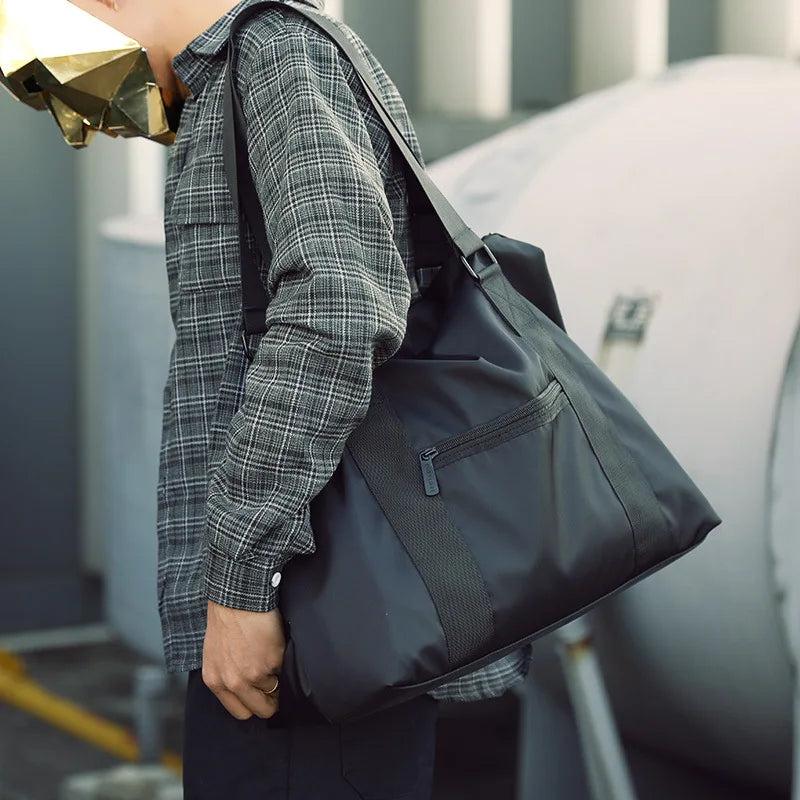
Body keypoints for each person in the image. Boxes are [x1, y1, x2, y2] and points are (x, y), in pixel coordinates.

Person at [72, 0, 532, 796]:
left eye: (51, 50)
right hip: (307, 613)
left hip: (310, 624)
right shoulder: (242, 72)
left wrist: (241, 582)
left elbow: (339, 309)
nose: (74, 104)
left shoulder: (278, 55)